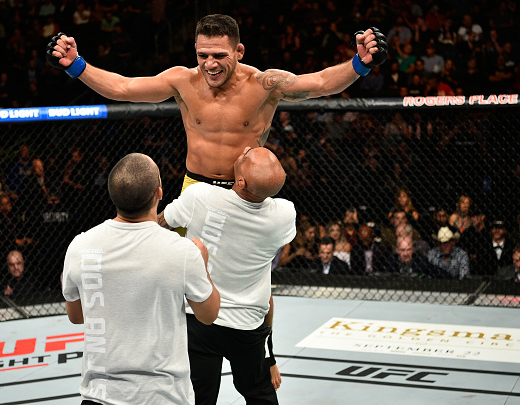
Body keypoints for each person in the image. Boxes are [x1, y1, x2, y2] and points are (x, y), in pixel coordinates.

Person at [46, 14, 387, 188]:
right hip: (195, 185)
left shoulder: (263, 83)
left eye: (219, 55)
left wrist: (360, 64)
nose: (209, 63)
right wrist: (77, 66)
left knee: (249, 286)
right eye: (202, 54)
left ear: (238, 51)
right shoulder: (181, 80)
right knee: (187, 281)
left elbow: (321, 83)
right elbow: (122, 88)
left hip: (245, 191)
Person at [62, 153, 220, 405]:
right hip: (164, 397)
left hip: (100, 396)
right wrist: (204, 267)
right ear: (159, 192)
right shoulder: (181, 251)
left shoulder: (81, 246)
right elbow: (208, 315)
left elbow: (76, 315)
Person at [159, 147, 296, 405]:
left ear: (242, 181)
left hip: (199, 319)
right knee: (260, 394)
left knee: (199, 398)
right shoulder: (285, 216)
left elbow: (159, 222)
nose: (243, 149)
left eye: (245, 157)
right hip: (247, 327)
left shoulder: (200, 196)